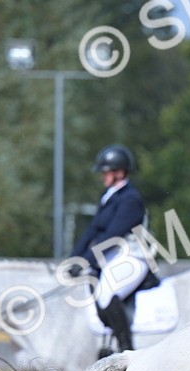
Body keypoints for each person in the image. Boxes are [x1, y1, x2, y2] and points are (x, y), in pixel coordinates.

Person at [70, 144, 155, 354]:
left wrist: (87, 261)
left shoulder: (130, 199)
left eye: (106, 172)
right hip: (112, 256)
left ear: (119, 172)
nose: (102, 176)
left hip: (133, 257)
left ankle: (126, 350)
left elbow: (112, 236)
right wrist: (73, 259)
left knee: (107, 293)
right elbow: (93, 230)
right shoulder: (108, 196)